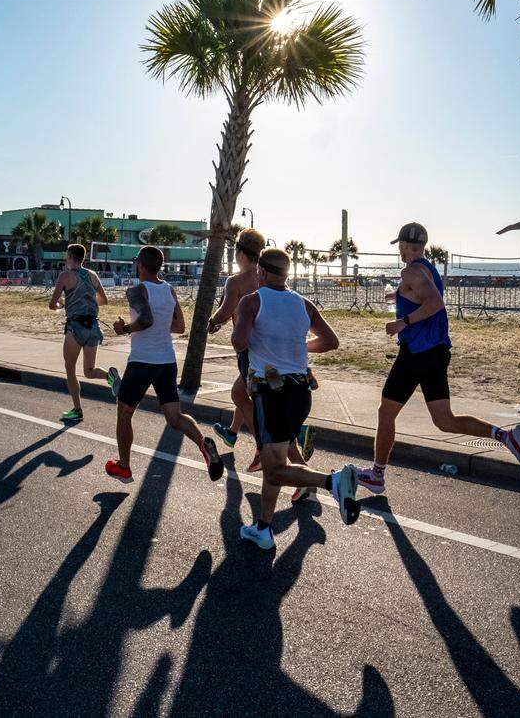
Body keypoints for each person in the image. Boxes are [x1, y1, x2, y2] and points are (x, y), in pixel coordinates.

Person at [357, 223, 520, 496]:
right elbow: (425, 297)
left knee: (386, 412)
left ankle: (377, 475)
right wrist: (399, 296)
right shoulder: (427, 269)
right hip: (436, 352)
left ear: (405, 245)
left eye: (401, 247)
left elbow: (435, 303)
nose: (401, 252)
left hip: (416, 353)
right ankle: (507, 437)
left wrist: (403, 322)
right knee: (444, 420)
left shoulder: (411, 270)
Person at [231, 247, 359, 549]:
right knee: (276, 459)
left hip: (272, 394)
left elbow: (239, 342)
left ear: (261, 271)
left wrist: (255, 334)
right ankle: (263, 527)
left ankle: (332, 482)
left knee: (273, 467)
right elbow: (331, 341)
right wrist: (297, 347)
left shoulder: (253, 300)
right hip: (301, 392)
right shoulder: (303, 303)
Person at [105, 246, 222, 483]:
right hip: (166, 362)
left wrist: (125, 329)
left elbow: (146, 320)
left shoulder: (137, 290)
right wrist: (156, 325)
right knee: (175, 416)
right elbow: (179, 327)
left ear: (140, 265)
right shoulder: (169, 290)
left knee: (125, 412)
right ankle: (203, 443)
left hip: (142, 361)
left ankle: (124, 467)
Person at [207, 227, 269, 472]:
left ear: (240, 253)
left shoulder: (236, 281)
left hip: (248, 348)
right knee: (242, 392)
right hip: (268, 345)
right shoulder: (266, 275)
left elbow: (225, 311)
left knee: (242, 395)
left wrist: (212, 322)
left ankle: (263, 448)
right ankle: (232, 432)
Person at [48, 243, 111, 422]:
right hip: (93, 327)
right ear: (82, 258)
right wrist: (87, 301)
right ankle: (110, 376)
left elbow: (53, 305)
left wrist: (63, 305)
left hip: (75, 327)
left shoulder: (65, 276)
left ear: (70, 257)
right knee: (89, 371)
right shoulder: (93, 275)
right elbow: (103, 300)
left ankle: (77, 410)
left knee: (70, 368)